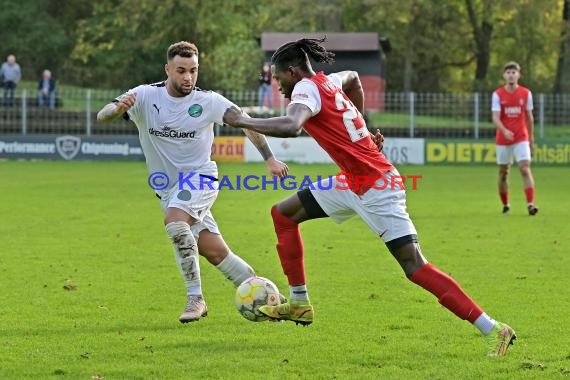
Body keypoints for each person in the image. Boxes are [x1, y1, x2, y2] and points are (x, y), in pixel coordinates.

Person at [223, 37, 516, 357]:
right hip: (354, 181)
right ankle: (299, 303)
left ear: (293, 72)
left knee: (414, 266)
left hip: (377, 187)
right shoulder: (329, 81)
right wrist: (360, 127)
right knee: (283, 214)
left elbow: (292, 125)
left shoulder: (305, 89)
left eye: (279, 79)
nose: (279, 87)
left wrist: (242, 120)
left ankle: (494, 329)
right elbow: (354, 79)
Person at [97, 41, 288, 323]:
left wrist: (269, 158)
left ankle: (195, 297)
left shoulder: (208, 101)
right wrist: (116, 110)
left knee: (175, 222)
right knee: (215, 252)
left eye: (193, 71)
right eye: (181, 71)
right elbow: (102, 115)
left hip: (202, 179)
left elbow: (245, 122)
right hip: (168, 190)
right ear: (168, 69)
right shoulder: (144, 96)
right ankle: (273, 301)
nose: (188, 77)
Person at [492, 62, 538, 216]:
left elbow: (529, 118)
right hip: (503, 139)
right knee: (503, 172)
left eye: (514, 72)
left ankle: (531, 204)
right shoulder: (498, 94)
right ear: (504, 75)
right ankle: (505, 204)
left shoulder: (526, 93)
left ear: (518, 75)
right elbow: (495, 117)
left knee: (525, 168)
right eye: (508, 72)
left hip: (521, 137)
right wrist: (504, 131)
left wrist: (531, 139)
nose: (511, 75)